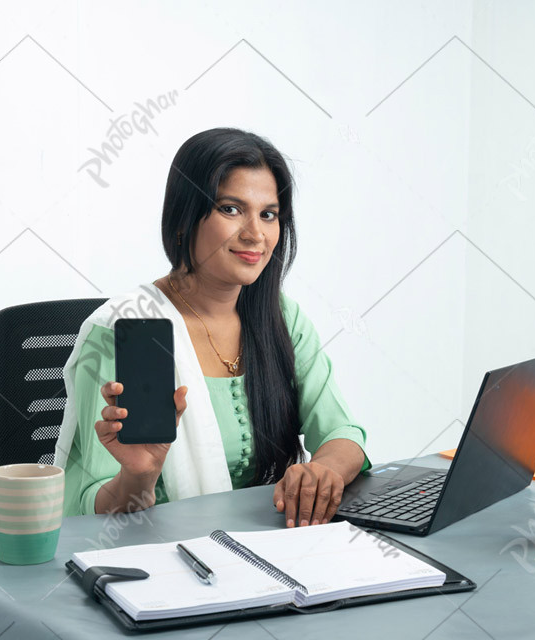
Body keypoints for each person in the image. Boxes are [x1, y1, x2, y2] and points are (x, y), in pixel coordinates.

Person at [54, 127, 370, 528]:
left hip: (275, 545)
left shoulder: (281, 318)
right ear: (185, 217)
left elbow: (342, 431)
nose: (256, 234)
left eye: (268, 214)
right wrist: (139, 476)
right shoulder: (125, 331)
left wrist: (324, 471)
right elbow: (87, 511)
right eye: (231, 209)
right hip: (163, 558)